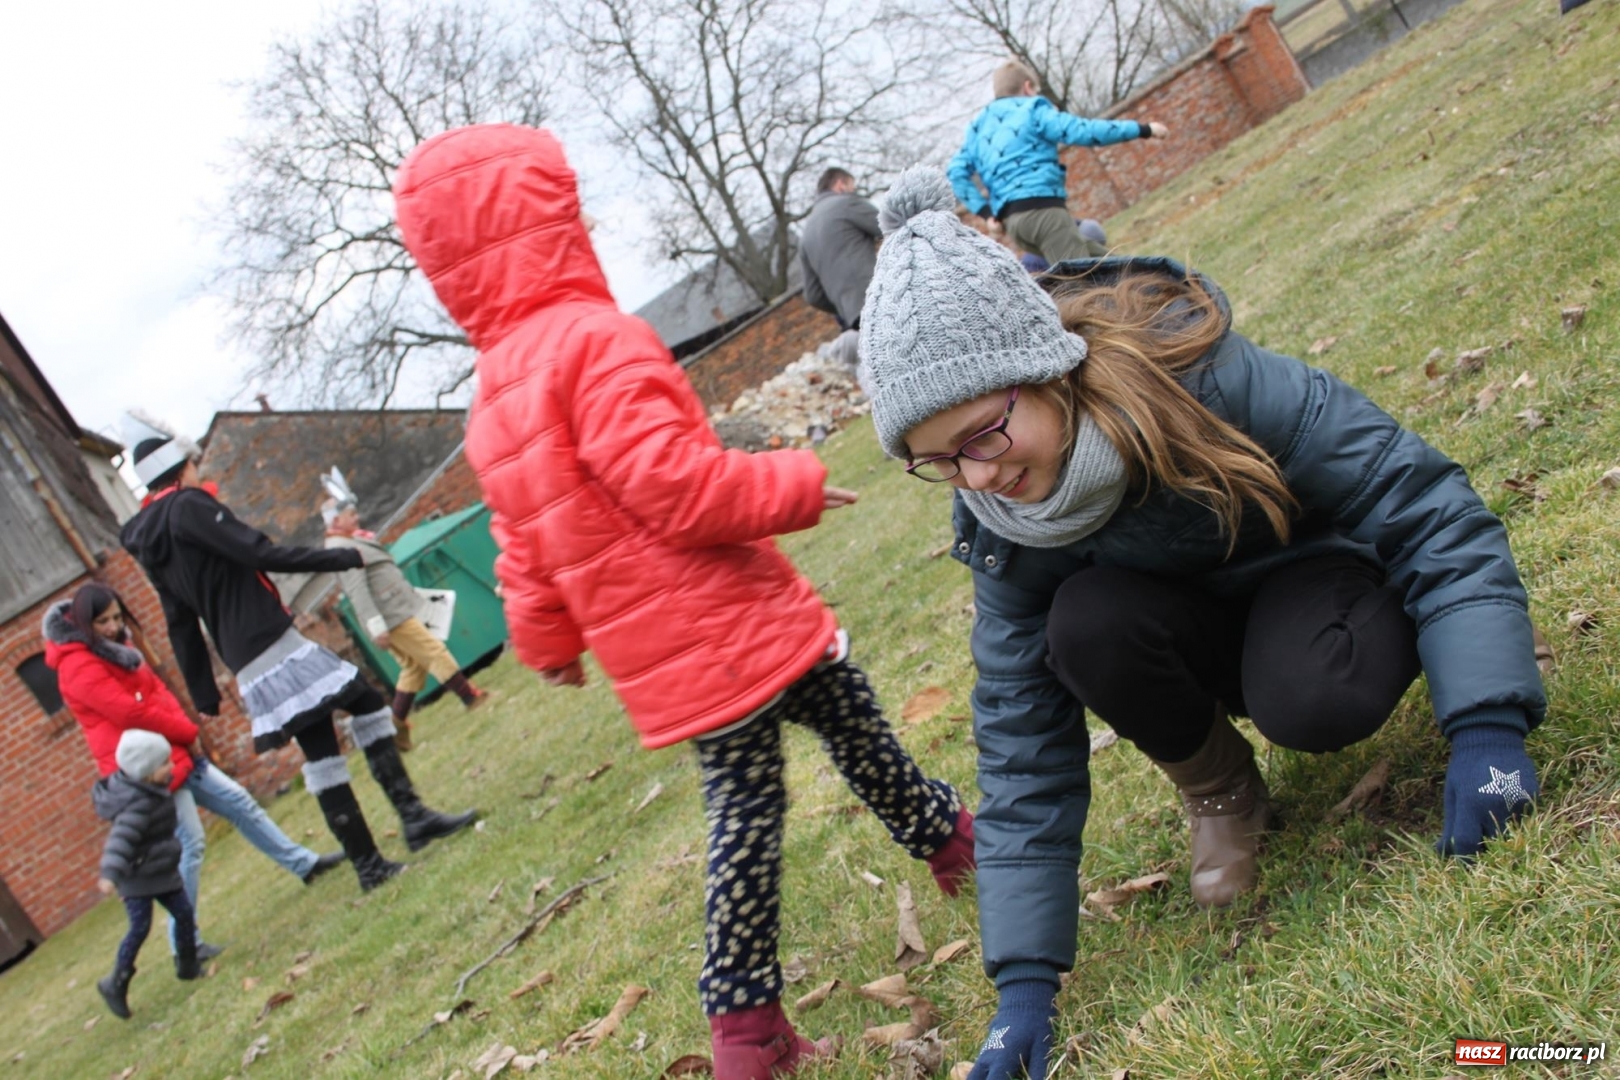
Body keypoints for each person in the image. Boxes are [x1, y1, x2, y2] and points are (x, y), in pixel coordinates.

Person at [856, 168, 1547, 1080]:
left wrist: (1487, 724)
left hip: (1322, 584)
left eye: (983, 435)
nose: (976, 477)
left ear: (1041, 369)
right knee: (1085, 623)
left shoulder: (1205, 380)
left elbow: (1419, 505)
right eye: (937, 462)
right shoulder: (998, 524)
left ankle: (1397, 665)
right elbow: (1021, 740)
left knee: (1312, 701)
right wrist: (1023, 988)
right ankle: (1223, 792)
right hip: (1197, 635)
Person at [392, 124, 976, 1080]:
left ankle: (952, 844)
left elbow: (520, 542)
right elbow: (671, 483)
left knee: (845, 715)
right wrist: (784, 485)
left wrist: (546, 640)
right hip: (725, 621)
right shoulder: (597, 341)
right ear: (552, 226)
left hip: (678, 652)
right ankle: (746, 1025)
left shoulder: (493, 396)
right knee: (757, 802)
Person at [119, 423, 477, 893]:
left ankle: (378, 856)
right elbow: (259, 552)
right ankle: (406, 826)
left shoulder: (155, 541)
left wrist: (204, 692)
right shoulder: (190, 506)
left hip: (247, 656)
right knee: (368, 703)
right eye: (192, 463)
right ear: (178, 467)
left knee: (323, 750)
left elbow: (179, 619)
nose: (197, 468)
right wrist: (341, 558)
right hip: (272, 643)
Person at [44, 585, 344, 961]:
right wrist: (186, 731)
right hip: (148, 768)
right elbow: (129, 713)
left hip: (174, 749)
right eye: (102, 621)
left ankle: (305, 865)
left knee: (240, 803)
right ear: (82, 622)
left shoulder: (120, 650)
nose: (112, 626)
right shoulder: (77, 664)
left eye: (117, 617)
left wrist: (185, 734)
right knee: (191, 844)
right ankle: (184, 943)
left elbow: (156, 694)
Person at [320, 469, 489, 752]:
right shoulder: (340, 547)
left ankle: (395, 726)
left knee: (413, 667)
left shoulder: (348, 540)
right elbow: (357, 591)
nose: (356, 517)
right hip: (390, 615)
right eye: (350, 515)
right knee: (434, 652)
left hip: (394, 609)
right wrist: (376, 625)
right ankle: (471, 697)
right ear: (336, 521)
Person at [947, 61, 1165, 265]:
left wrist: (987, 214)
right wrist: (1144, 129)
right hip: (1045, 213)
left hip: (1015, 225)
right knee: (1088, 287)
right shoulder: (1032, 109)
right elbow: (1084, 131)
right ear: (1028, 87)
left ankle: (1163, 291)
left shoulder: (978, 128)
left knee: (1113, 267)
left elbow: (956, 172)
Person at [93, 728, 201, 1019]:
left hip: (160, 868)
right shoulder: (136, 805)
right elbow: (120, 842)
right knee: (139, 928)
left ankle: (188, 965)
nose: (171, 767)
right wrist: (110, 876)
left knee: (184, 913)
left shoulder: (151, 789)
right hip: (137, 876)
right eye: (164, 764)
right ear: (145, 771)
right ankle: (115, 982)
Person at [800, 166, 881, 372]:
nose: (854, 191)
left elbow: (812, 295)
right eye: (852, 186)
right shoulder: (846, 203)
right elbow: (892, 224)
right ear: (840, 185)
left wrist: (844, 303)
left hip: (853, 319)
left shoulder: (806, 233)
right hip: (882, 302)